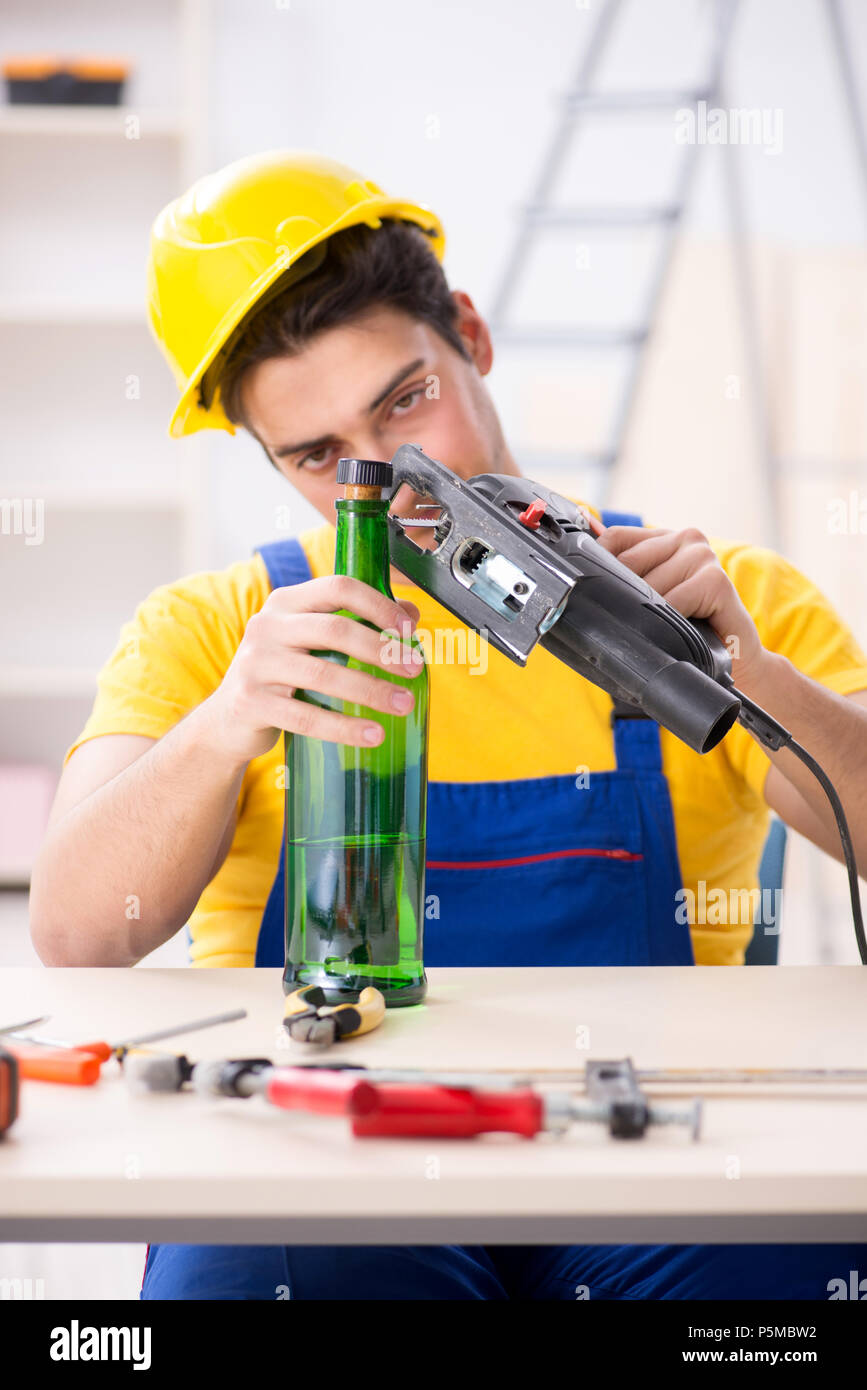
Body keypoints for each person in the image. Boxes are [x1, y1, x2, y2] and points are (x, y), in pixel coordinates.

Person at [29, 151, 867, 1301]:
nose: (383, 481)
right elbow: (77, 935)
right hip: (319, 1164)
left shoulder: (724, 598)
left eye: (403, 401)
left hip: (649, 1168)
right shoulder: (211, 629)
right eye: (320, 458)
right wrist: (227, 723)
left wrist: (751, 680)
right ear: (268, 462)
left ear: (468, 335)